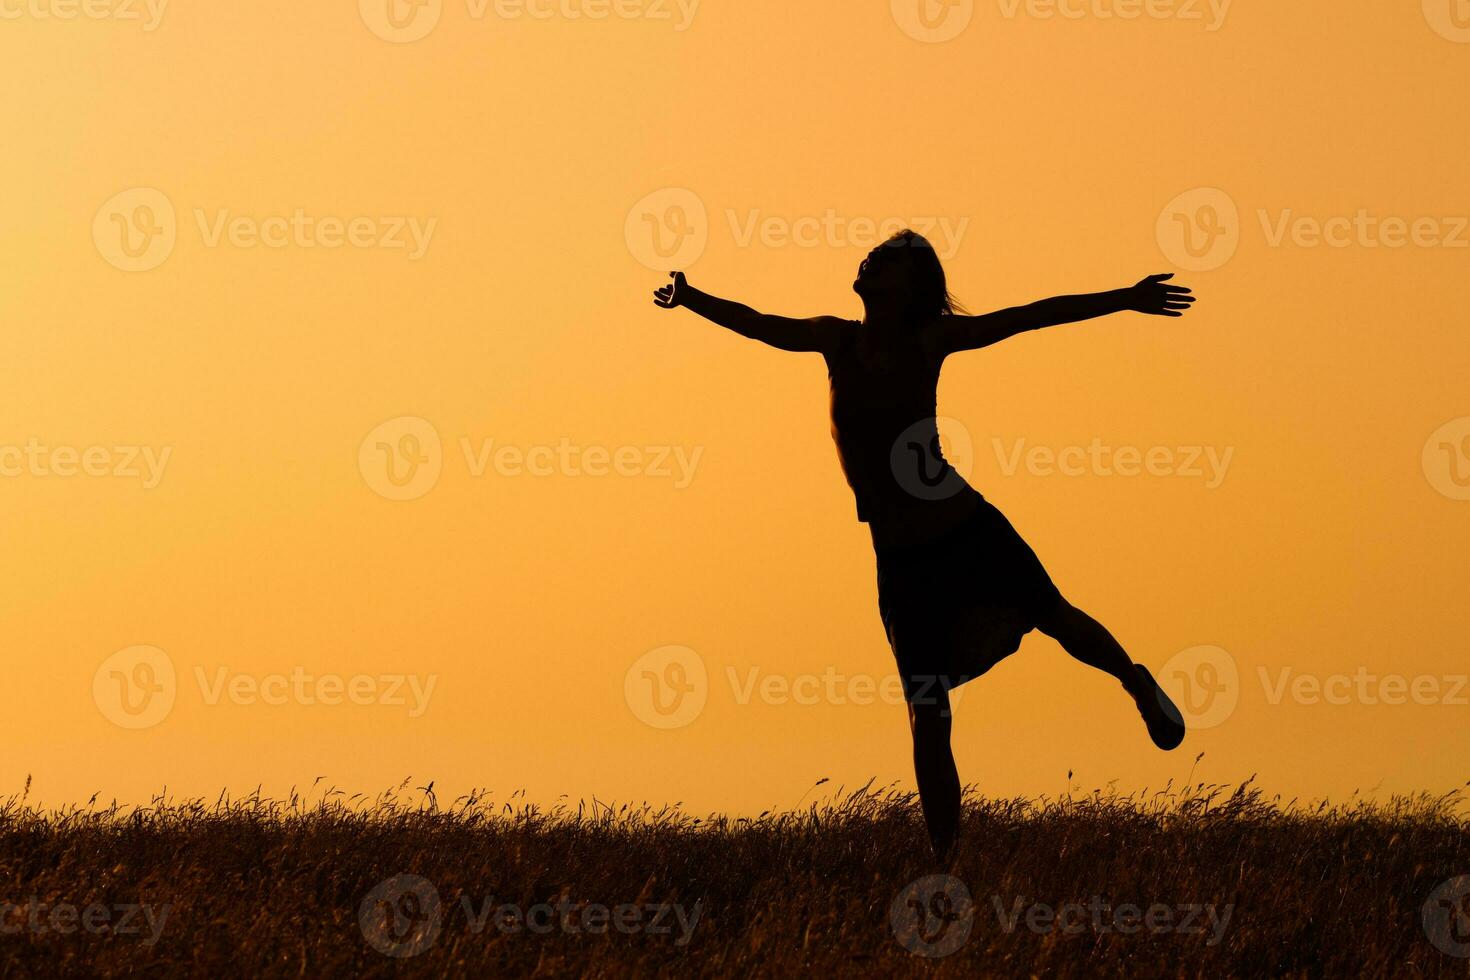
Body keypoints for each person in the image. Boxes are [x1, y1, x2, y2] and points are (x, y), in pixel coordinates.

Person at [651, 230, 1193, 859]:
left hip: (965, 529)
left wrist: (1124, 298)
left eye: (884, 262)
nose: (868, 263)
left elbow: (1027, 318)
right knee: (926, 709)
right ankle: (947, 860)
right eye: (870, 257)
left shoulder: (929, 340)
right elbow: (761, 325)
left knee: (1055, 615)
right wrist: (694, 300)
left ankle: (1134, 682)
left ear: (910, 287)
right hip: (902, 559)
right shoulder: (836, 340)